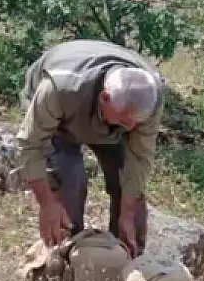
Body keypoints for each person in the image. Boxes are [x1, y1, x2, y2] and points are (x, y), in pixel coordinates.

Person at [16, 39, 165, 257]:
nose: (133, 127)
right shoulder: (58, 89)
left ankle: (127, 260)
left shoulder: (149, 96)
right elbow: (31, 144)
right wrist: (47, 204)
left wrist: (127, 213)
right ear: (105, 98)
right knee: (69, 181)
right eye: (126, 121)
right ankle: (64, 260)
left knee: (130, 194)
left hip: (109, 121)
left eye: (137, 123)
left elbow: (140, 158)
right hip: (60, 121)